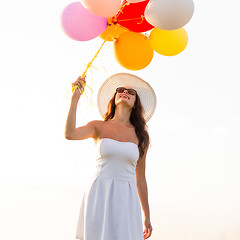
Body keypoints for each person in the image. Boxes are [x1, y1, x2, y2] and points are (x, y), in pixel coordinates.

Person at [65, 73, 157, 240]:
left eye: (131, 92)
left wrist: (147, 216)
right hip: (99, 191)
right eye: (121, 90)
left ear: (136, 102)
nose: (125, 93)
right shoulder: (98, 126)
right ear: (114, 97)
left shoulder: (141, 136)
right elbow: (70, 134)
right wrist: (75, 98)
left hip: (126, 197)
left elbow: (141, 179)